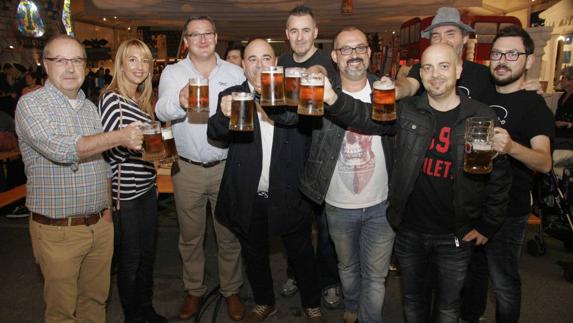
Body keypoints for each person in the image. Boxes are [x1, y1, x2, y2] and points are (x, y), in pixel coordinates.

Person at [324, 43, 512, 323]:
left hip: (456, 233)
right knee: (412, 302)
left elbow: (499, 175)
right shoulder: (408, 109)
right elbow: (366, 117)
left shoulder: (480, 115)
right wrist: (331, 97)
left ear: (459, 69)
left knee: (448, 308)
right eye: (427, 67)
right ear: (420, 74)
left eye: (443, 66)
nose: (435, 74)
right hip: (409, 230)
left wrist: (488, 224)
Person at [15, 34, 144, 323]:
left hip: (99, 224)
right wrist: (120, 136)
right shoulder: (31, 105)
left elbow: (103, 165)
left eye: (76, 60)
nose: (70, 68)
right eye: (60, 60)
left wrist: (108, 210)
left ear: (86, 66)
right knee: (62, 311)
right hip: (58, 229)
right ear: (45, 65)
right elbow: (62, 149)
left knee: (95, 302)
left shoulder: (89, 107)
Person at [208, 38, 325, 323]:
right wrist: (223, 115)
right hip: (250, 192)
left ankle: (312, 304)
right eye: (252, 59)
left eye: (265, 58)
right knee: (254, 255)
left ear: (276, 63)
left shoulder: (293, 91)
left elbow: (309, 129)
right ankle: (264, 302)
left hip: (290, 192)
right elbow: (215, 133)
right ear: (243, 65)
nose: (259, 65)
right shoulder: (233, 94)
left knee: (301, 254)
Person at [460, 26, 554, 323]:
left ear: (528, 60)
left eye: (512, 54)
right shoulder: (482, 93)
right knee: (472, 274)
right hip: (472, 202)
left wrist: (512, 147)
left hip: (509, 211)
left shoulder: (534, 104)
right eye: (497, 53)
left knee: (504, 283)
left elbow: (544, 162)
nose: (502, 59)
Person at [155, 15, 246, 321]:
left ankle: (231, 290)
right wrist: (179, 101)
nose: (203, 39)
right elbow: (160, 108)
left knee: (228, 234)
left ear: (217, 37)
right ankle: (194, 289)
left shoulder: (234, 71)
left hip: (226, 166)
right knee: (190, 236)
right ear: (186, 41)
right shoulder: (173, 72)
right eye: (195, 35)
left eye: (208, 34)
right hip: (188, 168)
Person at [98, 39, 167, 323]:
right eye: (133, 60)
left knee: (147, 255)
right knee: (130, 260)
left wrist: (157, 155)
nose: (140, 66)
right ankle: (133, 316)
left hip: (146, 190)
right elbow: (108, 150)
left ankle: (146, 308)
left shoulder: (140, 102)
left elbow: (146, 152)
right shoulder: (113, 98)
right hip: (124, 194)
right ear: (121, 65)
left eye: (145, 61)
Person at [277, 5, 341, 308]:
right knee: (294, 224)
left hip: (323, 155)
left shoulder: (327, 61)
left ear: (316, 32)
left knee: (326, 227)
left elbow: (319, 73)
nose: (300, 36)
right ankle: (296, 273)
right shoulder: (281, 61)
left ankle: (328, 281)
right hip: (291, 153)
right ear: (286, 34)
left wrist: (313, 73)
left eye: (306, 30)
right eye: (294, 30)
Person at [393, 7, 539, 101]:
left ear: (464, 38)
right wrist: (395, 90)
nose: (442, 41)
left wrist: (527, 87)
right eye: (436, 36)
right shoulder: (423, 69)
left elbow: (505, 91)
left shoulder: (483, 74)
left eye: (450, 34)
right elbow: (409, 85)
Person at [554, 66, 573, 139]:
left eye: (563, 78)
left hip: (569, 136)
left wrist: (567, 124)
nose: (561, 81)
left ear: (571, 80)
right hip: (558, 133)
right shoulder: (563, 95)